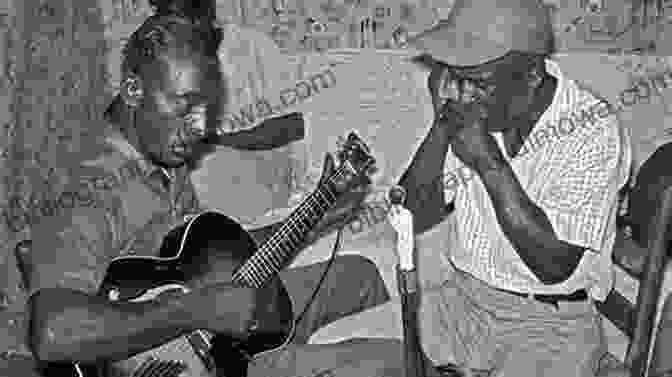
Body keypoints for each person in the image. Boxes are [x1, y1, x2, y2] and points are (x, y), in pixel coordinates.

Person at [23, 4, 400, 377]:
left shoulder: (164, 153)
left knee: (359, 275)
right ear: (134, 90)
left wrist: (314, 218)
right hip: (170, 361)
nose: (201, 127)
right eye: (185, 107)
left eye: (207, 108)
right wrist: (196, 311)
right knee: (392, 361)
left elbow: (211, 264)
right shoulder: (86, 190)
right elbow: (52, 332)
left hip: (206, 332)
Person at [311, 0, 632, 376]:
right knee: (327, 352)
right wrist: (442, 124)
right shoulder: (471, 107)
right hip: (461, 302)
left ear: (530, 74)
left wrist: (486, 161)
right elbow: (411, 212)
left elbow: (553, 266)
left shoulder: (592, 129)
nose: (463, 92)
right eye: (455, 75)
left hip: (548, 325)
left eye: (478, 82)